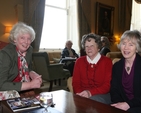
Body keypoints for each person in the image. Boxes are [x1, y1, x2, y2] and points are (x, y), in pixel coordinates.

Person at [0, 22, 42, 91]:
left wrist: (32, 73)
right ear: (15, 39)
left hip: (23, 89)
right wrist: (30, 85)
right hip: (7, 91)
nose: (26, 42)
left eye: (29, 39)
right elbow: (1, 85)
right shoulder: (5, 54)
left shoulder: (29, 50)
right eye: (22, 38)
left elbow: (29, 67)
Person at [72, 33, 113, 104]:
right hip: (82, 94)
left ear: (98, 47)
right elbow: (76, 83)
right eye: (86, 46)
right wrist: (81, 94)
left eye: (92, 46)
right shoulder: (79, 61)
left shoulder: (107, 61)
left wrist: (90, 93)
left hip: (103, 95)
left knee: (91, 102)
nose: (89, 48)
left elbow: (107, 85)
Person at [110, 30, 141, 113]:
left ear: (137, 48)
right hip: (122, 104)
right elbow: (114, 89)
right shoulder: (117, 66)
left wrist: (128, 104)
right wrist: (119, 103)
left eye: (131, 44)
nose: (126, 48)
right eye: (124, 43)